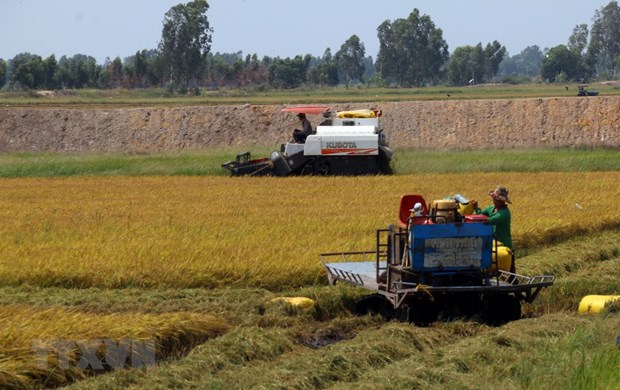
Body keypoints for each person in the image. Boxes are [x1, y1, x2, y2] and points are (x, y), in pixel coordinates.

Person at [471, 186, 514, 272]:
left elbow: (490, 221)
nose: (494, 200)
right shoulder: (491, 208)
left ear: (502, 201)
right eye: (494, 198)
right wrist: (476, 207)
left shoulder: (504, 213)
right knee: (491, 269)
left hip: (504, 246)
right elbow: (481, 214)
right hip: (493, 245)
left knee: (506, 274)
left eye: (496, 199)